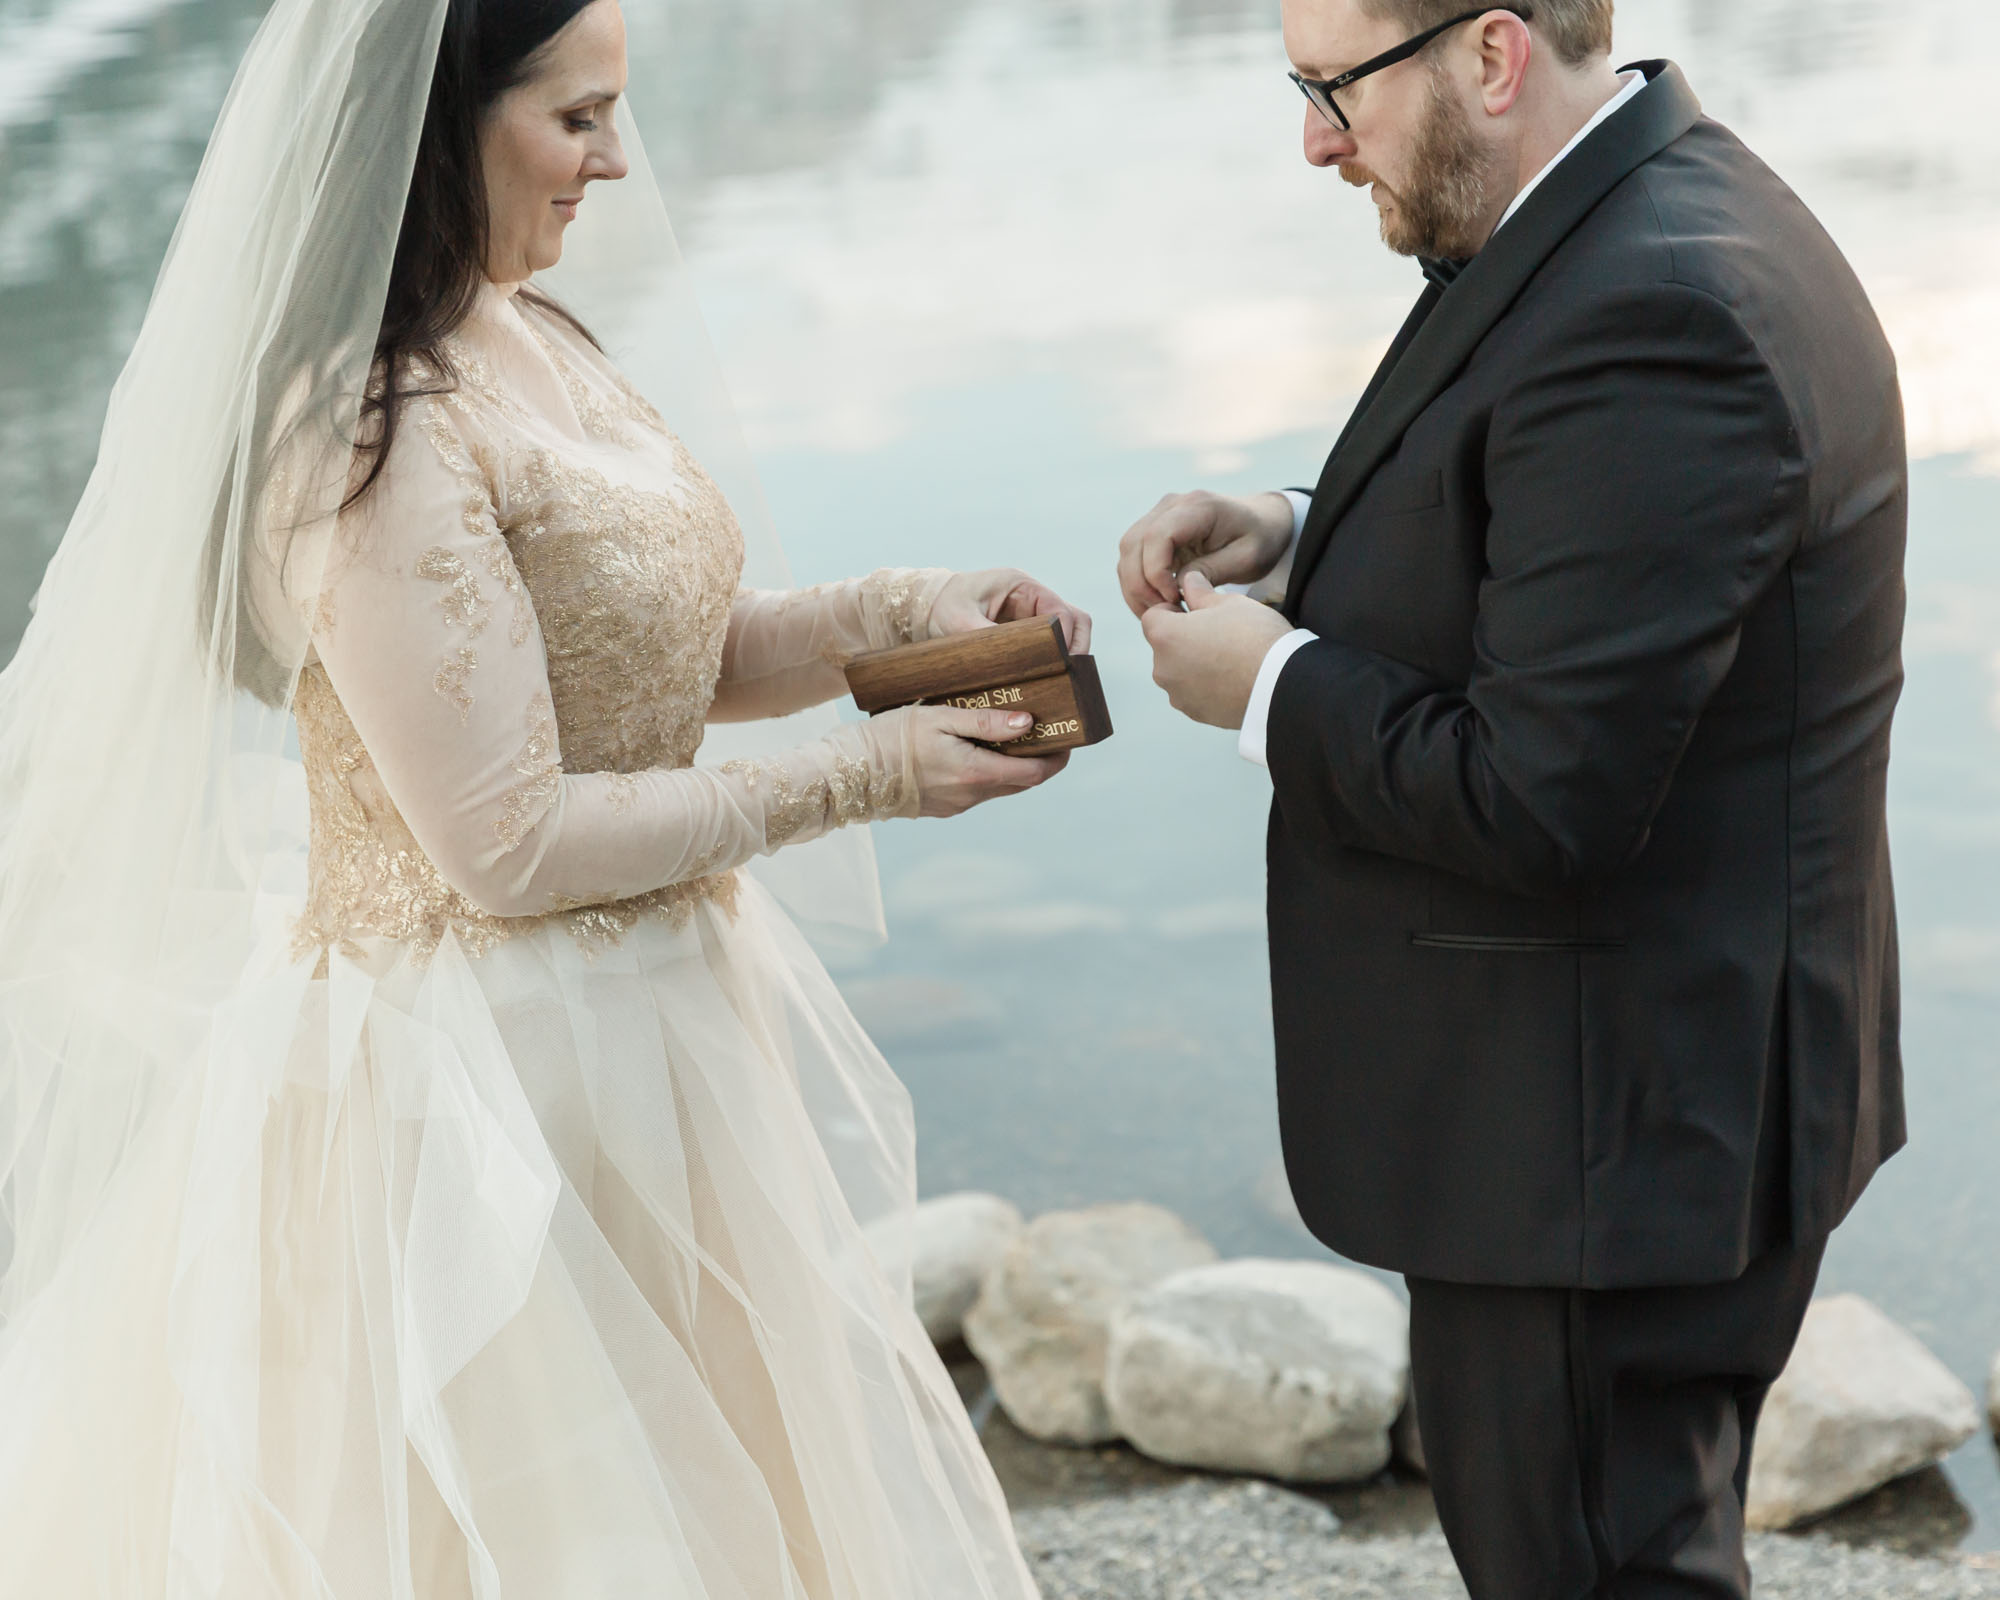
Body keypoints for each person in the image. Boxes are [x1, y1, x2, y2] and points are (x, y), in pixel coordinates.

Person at [0, 0, 1076, 1592]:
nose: (618, 159)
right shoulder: (369, 429)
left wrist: (906, 619)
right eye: (576, 118)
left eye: (615, 113)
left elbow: (661, 661)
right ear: (445, 125)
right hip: (476, 1090)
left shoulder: (533, 333)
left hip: (662, 1030)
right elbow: (503, 845)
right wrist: (871, 776)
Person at [1122, 2, 1905, 1595]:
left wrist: (1264, 690)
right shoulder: (1630, 212)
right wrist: (1296, 531)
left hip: (1597, 1157)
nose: (1314, 141)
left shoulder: (1660, 306)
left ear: (1489, 56)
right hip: (1629, 1112)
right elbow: (1559, 525)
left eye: (1335, 90)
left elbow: (1540, 799)